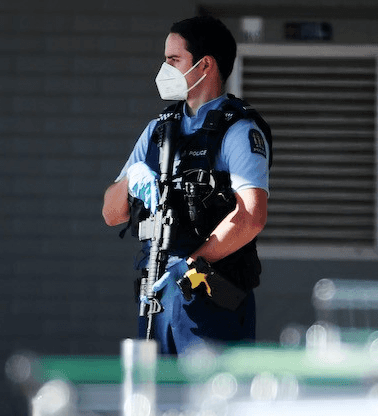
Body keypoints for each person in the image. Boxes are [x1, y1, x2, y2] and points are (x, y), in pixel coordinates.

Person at [102, 15, 271, 355]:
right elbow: (112, 213)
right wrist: (133, 178)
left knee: (211, 400)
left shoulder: (237, 131)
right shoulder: (159, 131)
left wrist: (190, 263)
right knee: (157, 401)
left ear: (205, 65)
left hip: (210, 293)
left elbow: (251, 216)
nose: (164, 69)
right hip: (158, 294)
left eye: (173, 60)